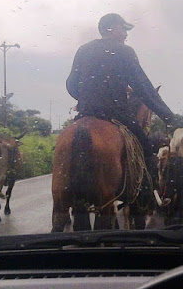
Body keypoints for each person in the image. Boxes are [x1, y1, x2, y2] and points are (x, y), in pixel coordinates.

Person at [66, 13, 174, 203]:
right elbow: (143, 88)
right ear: (110, 29)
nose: (126, 34)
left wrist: (87, 98)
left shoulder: (83, 49)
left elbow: (71, 84)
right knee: (146, 148)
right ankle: (146, 196)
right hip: (117, 114)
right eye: (123, 29)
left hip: (85, 112)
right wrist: (168, 116)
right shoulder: (125, 52)